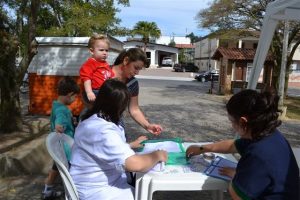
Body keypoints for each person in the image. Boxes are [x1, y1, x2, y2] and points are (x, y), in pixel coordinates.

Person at [186, 89, 299, 200]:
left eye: (231, 121)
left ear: (242, 121)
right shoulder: (266, 133)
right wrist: (202, 148)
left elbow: (238, 195)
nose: (231, 126)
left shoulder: (257, 153)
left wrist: (235, 176)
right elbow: (232, 145)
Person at [70, 79, 168, 200]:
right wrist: (157, 155)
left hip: (93, 182)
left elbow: (101, 149)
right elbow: (134, 164)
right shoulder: (103, 130)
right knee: (143, 192)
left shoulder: (92, 118)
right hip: (97, 190)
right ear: (120, 106)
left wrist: (130, 145)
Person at [42, 77, 80, 200]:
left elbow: (59, 116)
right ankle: (72, 191)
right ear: (70, 94)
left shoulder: (56, 104)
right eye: (75, 97)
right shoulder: (62, 109)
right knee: (70, 170)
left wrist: (71, 120)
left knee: (55, 168)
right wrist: (59, 126)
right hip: (66, 149)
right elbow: (59, 119)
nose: (74, 100)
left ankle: (47, 190)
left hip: (58, 147)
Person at [112, 48, 162, 135]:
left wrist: (148, 125)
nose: (137, 72)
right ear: (126, 60)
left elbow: (134, 109)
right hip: (95, 124)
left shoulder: (132, 83)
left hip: (116, 126)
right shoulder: (102, 73)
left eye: (139, 69)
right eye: (136, 68)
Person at [79, 33, 112, 104]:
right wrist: (89, 92)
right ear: (91, 51)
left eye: (106, 50)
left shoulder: (105, 64)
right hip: (95, 91)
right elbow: (86, 79)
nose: (105, 53)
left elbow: (111, 76)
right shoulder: (90, 63)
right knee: (92, 110)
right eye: (101, 50)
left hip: (104, 90)